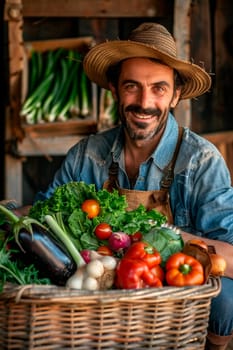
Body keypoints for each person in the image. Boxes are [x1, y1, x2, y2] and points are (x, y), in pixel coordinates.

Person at [34, 23, 233, 349]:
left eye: (159, 88)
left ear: (175, 95)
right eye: (132, 86)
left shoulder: (201, 161)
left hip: (175, 296)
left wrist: (168, 236)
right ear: (113, 88)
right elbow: (44, 215)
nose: (144, 102)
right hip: (99, 287)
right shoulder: (87, 155)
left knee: (226, 299)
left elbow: (232, 257)